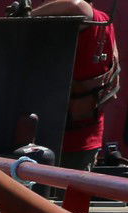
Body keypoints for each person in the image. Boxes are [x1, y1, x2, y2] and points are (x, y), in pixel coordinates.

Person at [37, 0, 120, 169]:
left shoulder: (88, 15)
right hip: (85, 134)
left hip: (65, 140)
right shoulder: (104, 20)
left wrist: (28, 16)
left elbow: (77, 6)